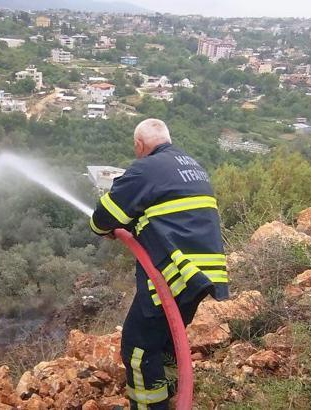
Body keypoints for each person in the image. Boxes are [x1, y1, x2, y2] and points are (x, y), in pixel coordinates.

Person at [89, 118, 229, 410]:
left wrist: (103, 228)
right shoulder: (193, 166)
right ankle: (169, 394)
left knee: (138, 347)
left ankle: (150, 406)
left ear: (139, 145)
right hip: (202, 276)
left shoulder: (146, 168)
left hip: (172, 274)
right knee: (165, 343)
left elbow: (104, 217)